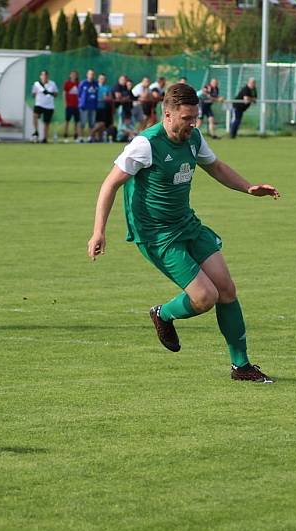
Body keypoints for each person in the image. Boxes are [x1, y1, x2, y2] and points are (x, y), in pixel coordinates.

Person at [87, 83, 280, 383]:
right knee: (205, 297)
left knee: (226, 289)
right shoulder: (145, 144)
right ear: (167, 114)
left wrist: (248, 187)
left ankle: (240, 366)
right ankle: (163, 314)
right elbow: (109, 184)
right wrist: (98, 232)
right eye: (187, 118)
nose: (193, 124)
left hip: (186, 224)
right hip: (156, 235)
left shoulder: (193, 138)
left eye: (195, 117)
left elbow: (215, 167)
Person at [31, 70, 58, 143]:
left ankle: (45, 138)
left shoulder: (52, 83)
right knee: (35, 116)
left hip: (49, 106)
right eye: (43, 75)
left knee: (47, 122)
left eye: (46, 75)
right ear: (40, 76)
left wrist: (50, 93)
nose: (44, 77)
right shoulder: (36, 84)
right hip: (39, 104)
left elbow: (56, 94)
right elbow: (33, 94)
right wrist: (36, 93)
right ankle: (36, 131)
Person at [91, 73, 113, 142]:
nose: (102, 80)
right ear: (98, 79)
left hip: (103, 107)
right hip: (95, 107)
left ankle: (99, 138)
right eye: (101, 78)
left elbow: (110, 97)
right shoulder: (95, 86)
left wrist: (106, 98)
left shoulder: (107, 87)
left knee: (102, 125)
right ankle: (91, 134)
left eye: (104, 79)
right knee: (100, 123)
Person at [78, 69, 99, 142]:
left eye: (93, 74)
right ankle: (80, 137)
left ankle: (90, 137)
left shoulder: (96, 84)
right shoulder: (83, 83)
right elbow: (79, 94)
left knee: (92, 123)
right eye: (90, 74)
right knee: (82, 123)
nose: (91, 76)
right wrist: (82, 103)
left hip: (93, 106)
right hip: (84, 106)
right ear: (87, 75)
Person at [62, 70, 81, 141]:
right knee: (67, 121)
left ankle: (76, 136)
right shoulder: (67, 83)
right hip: (69, 105)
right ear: (70, 75)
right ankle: (65, 135)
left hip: (77, 106)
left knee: (76, 121)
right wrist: (65, 104)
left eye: (75, 75)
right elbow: (64, 93)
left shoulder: (79, 84)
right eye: (72, 74)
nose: (74, 76)